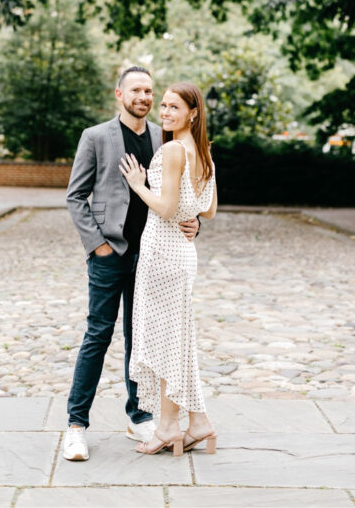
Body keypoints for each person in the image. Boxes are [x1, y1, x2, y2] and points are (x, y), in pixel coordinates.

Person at [62, 66, 200, 462]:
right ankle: (76, 426)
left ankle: (139, 415)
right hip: (110, 255)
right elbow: (76, 196)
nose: (144, 97)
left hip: (155, 256)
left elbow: (182, 194)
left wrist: (192, 224)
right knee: (98, 336)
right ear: (119, 94)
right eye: (136, 90)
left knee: (141, 340)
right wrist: (98, 247)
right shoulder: (95, 137)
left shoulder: (165, 137)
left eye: (149, 91)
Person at [120, 81, 218, 456]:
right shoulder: (202, 151)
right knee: (177, 341)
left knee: (164, 344)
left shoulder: (174, 149)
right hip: (183, 255)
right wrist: (188, 215)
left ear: (193, 112)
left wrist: (138, 184)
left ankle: (166, 428)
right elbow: (206, 209)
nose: (164, 112)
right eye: (163, 105)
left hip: (162, 253)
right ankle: (198, 423)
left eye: (174, 107)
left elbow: (164, 208)